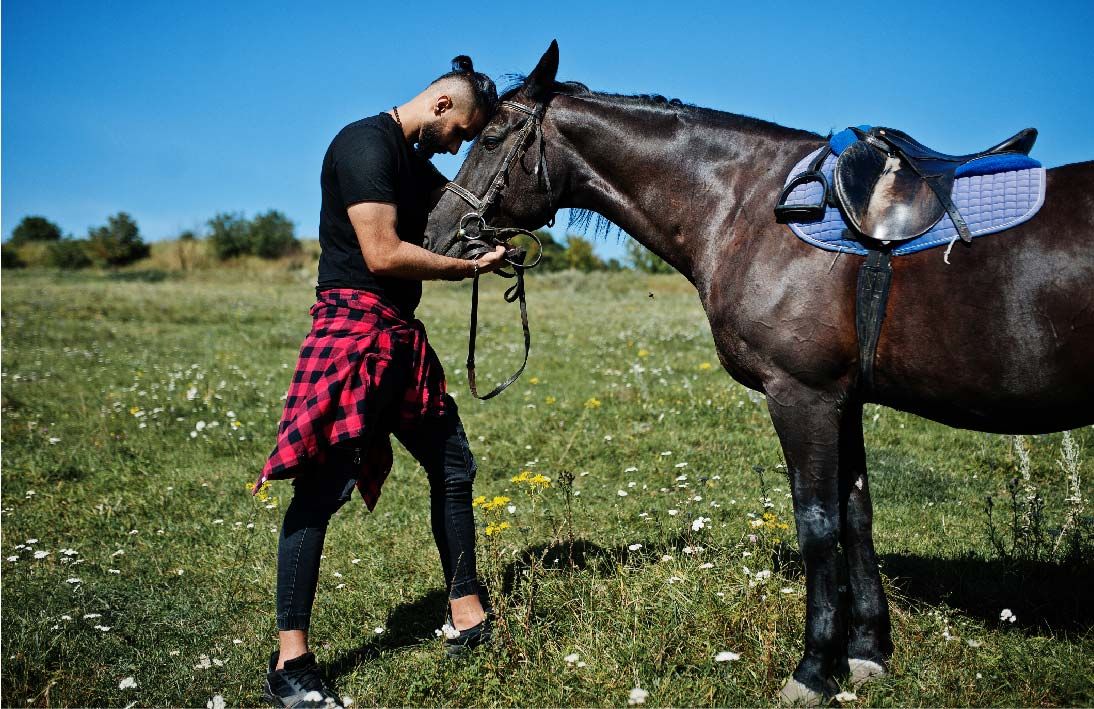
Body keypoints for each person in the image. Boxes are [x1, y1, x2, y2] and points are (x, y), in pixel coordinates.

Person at [251, 55, 507, 708]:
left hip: (399, 335)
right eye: (460, 133)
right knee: (321, 488)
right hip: (354, 334)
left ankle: (468, 610)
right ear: (442, 105)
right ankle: (290, 663)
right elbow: (383, 253)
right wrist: (467, 269)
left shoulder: (413, 162)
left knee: (453, 465)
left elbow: (466, 205)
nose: (456, 147)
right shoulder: (364, 144)